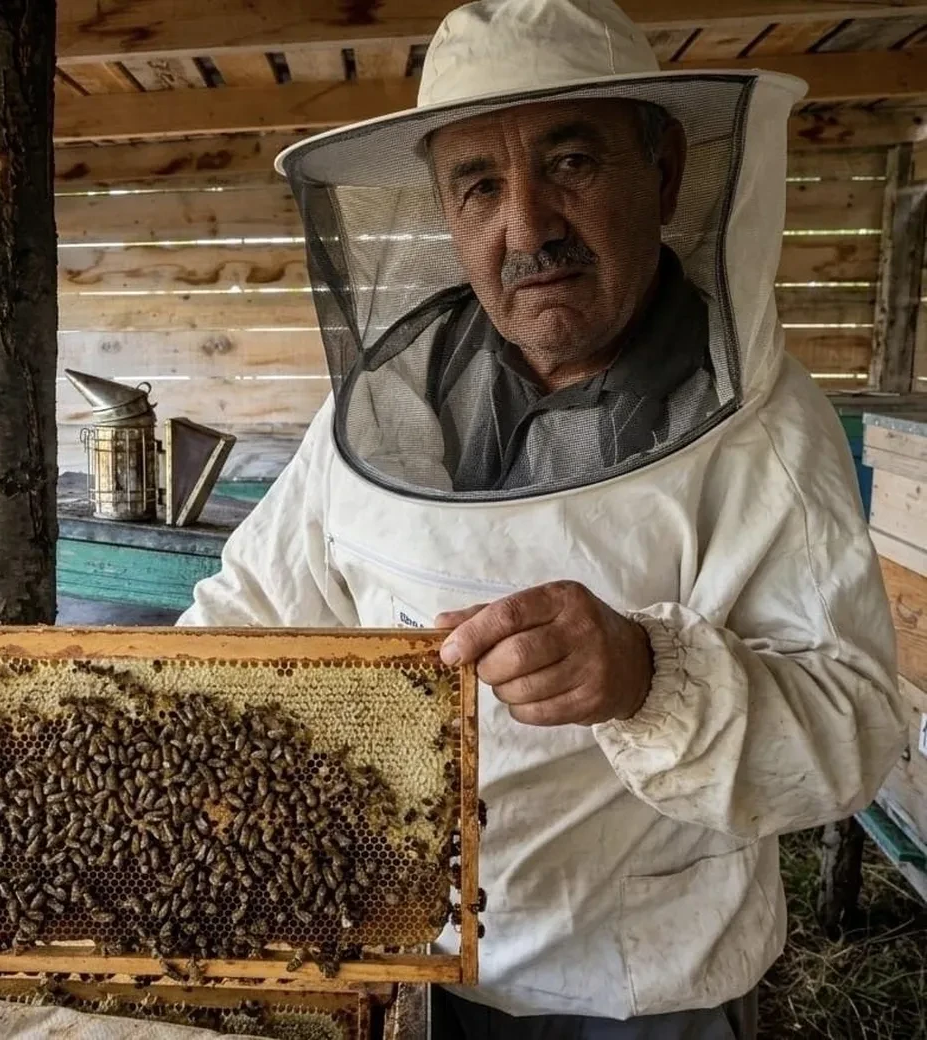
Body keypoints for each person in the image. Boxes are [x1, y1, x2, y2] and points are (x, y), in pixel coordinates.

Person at [179, 1, 905, 1036]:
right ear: (444, 211)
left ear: (659, 175)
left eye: (569, 163)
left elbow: (851, 729)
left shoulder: (766, 435)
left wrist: (648, 676)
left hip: (644, 985)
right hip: (409, 961)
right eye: (478, 184)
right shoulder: (377, 412)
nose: (527, 229)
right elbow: (250, 608)